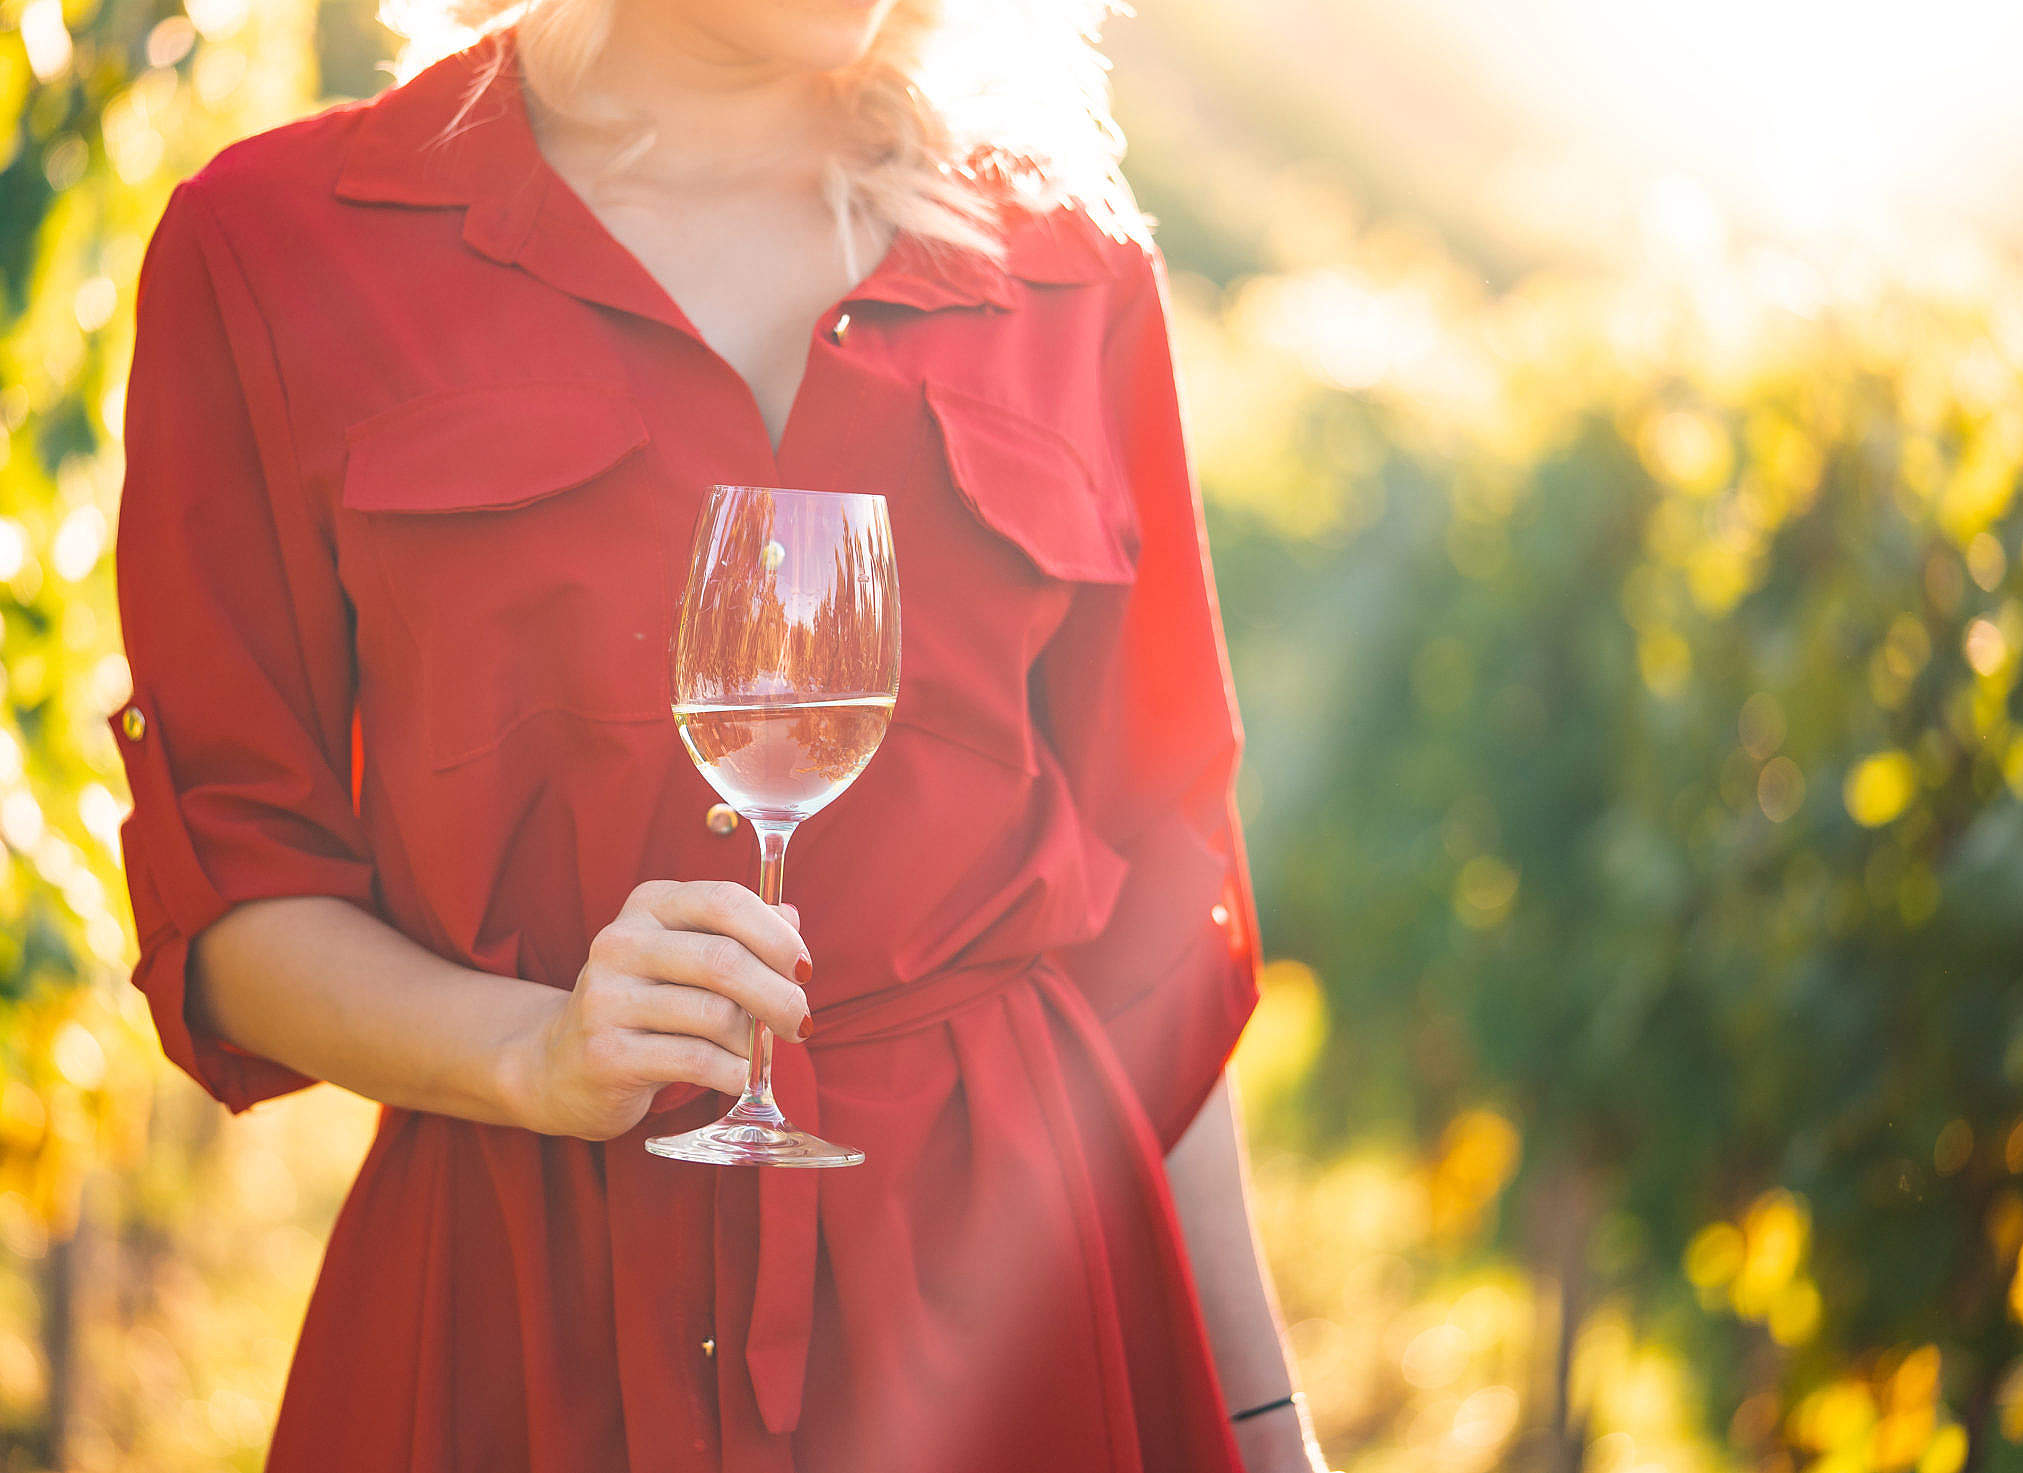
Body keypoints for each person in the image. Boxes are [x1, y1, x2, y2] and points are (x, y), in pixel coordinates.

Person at [107, 1, 1331, 1469]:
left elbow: (1150, 936)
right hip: (522, 1319)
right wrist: (531, 1051)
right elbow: (234, 902)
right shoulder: (281, 244)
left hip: (1020, 1328)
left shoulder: (1068, 258)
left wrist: (1263, 1425)